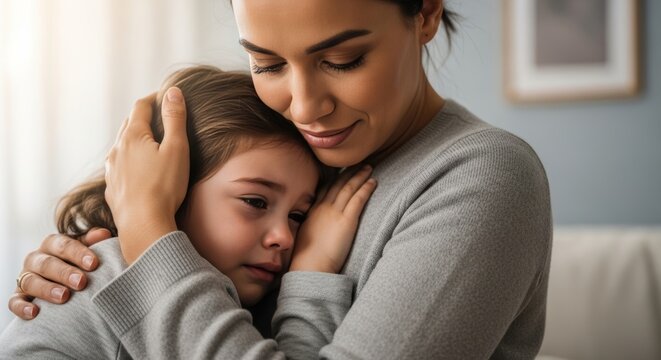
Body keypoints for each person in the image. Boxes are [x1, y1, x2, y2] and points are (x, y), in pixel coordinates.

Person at [8, 0, 553, 358]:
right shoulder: (299, 150)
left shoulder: (483, 178)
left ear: (426, 14)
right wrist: (92, 269)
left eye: (343, 59)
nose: (305, 106)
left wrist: (148, 233)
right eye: (267, 65)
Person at [0, 65, 376, 358]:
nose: (285, 237)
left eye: (298, 216)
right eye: (256, 202)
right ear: (172, 192)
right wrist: (312, 278)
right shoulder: (105, 274)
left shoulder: (240, 293)